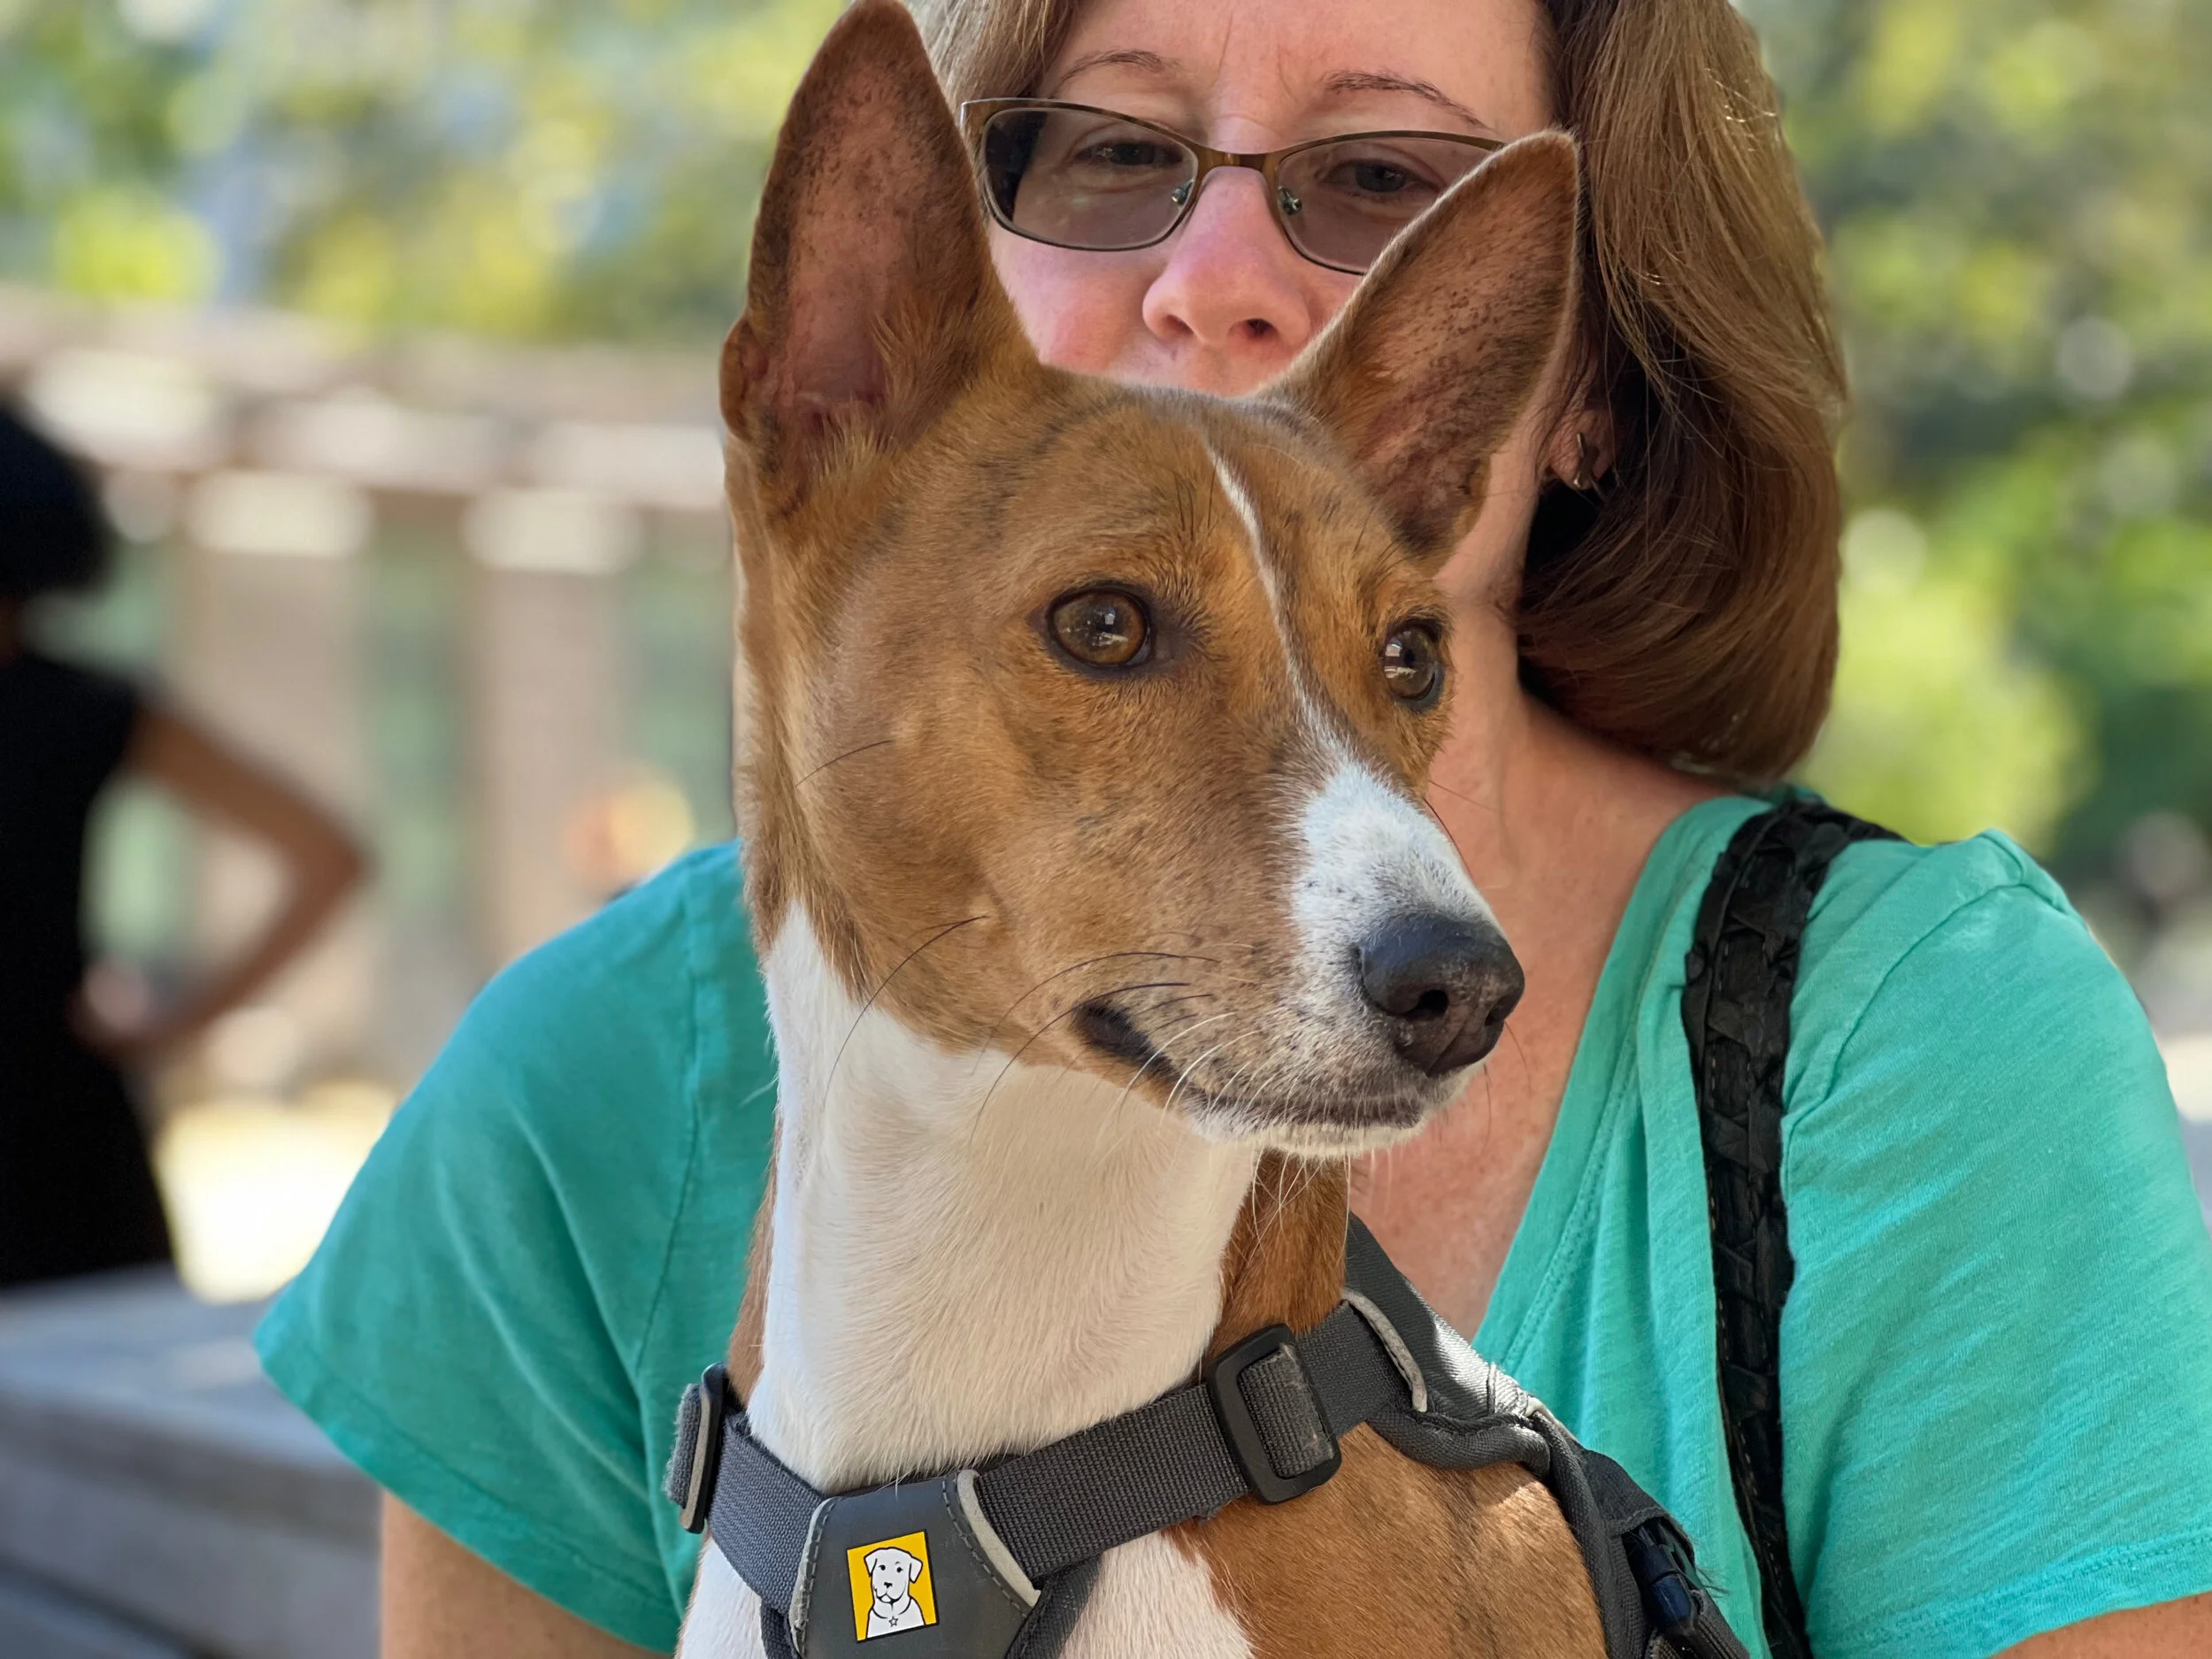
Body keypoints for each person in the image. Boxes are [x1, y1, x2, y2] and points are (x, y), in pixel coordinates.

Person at [257, 0, 2212, 1654]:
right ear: (853, 368)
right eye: (1109, 158)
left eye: (1378, 184)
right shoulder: (572, 1099)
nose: (1210, 287)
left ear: (1566, 389)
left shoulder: (1913, 1044)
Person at [0, 406, 365, 1288]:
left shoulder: (94, 709)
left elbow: (328, 858)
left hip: (57, 1160)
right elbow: (329, 857)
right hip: (64, 1135)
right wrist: (171, 1027)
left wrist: (173, 1022)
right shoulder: (91, 708)